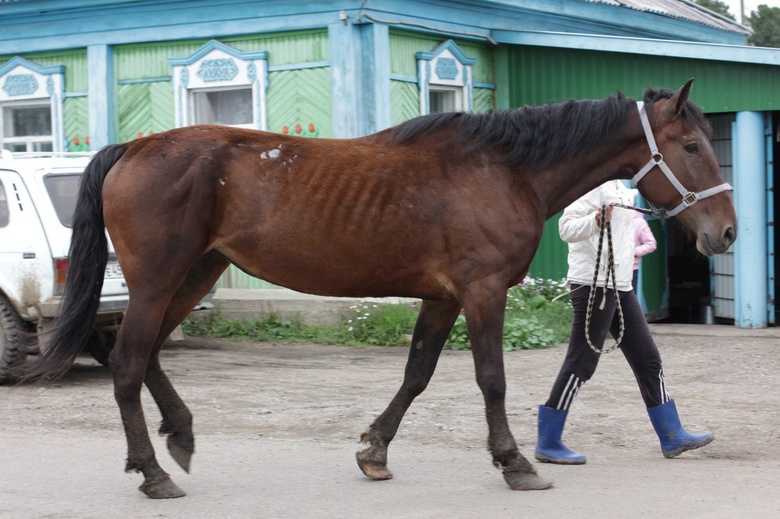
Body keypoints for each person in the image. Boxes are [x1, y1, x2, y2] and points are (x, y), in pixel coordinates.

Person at [535, 179, 713, 465]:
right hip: (593, 284)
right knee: (581, 362)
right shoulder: (589, 184)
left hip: (620, 284)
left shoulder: (620, 186)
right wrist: (594, 220)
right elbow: (565, 229)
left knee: (648, 359)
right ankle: (548, 440)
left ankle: (672, 435)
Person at [633, 209, 657, 291]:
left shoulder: (639, 222)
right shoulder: (611, 219)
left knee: (627, 301)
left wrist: (632, 252)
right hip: (610, 269)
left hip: (631, 269)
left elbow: (651, 244)